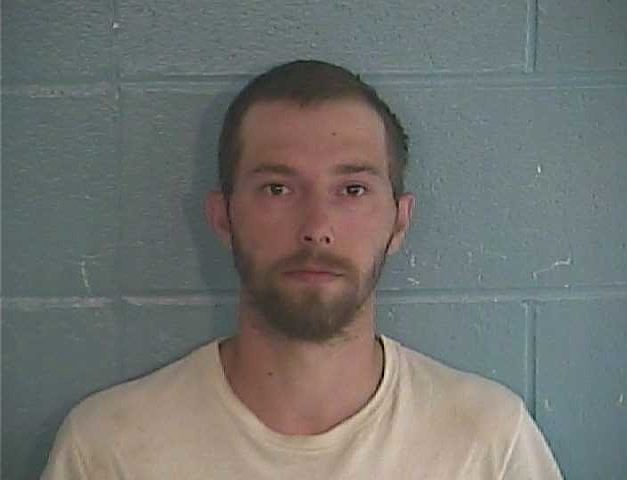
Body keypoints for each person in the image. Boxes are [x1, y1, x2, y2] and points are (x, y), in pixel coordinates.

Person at [42, 60, 563, 479]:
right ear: (223, 217)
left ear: (399, 222)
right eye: (277, 189)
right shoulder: (109, 448)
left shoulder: (489, 440)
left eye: (352, 190)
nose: (316, 228)